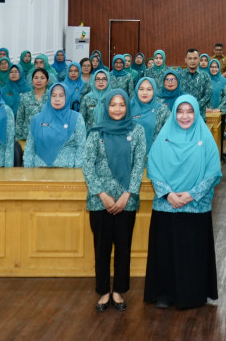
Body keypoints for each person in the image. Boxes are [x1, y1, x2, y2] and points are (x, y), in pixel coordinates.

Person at [144, 95, 222, 310]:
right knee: (165, 251)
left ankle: (193, 294)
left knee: (192, 253)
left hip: (195, 206)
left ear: (196, 113)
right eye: (180, 111)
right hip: (167, 205)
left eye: (190, 111)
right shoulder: (164, 136)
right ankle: (164, 294)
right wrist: (168, 194)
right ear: (174, 113)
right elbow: (154, 168)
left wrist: (191, 195)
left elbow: (213, 171)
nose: (185, 116)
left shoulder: (205, 137)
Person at [82, 88, 147, 312]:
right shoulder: (96, 132)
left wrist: (127, 194)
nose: (117, 109)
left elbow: (139, 165)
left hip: (126, 200)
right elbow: (87, 165)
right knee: (101, 248)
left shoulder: (137, 131)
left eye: (121, 105)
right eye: (113, 104)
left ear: (127, 107)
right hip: (100, 201)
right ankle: (103, 291)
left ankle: (118, 291)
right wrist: (101, 194)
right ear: (106, 107)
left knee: (123, 247)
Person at [24, 83, 86, 168]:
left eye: (61, 96)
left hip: (67, 171)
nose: (57, 99)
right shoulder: (37, 119)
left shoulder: (76, 118)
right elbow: (29, 147)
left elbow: (81, 146)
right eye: (53, 96)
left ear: (67, 97)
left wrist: (77, 171)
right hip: (40, 170)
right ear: (49, 97)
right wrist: (28, 171)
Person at [129, 76, 170, 151]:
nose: (145, 93)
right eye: (141, 89)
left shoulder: (162, 110)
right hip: (130, 156)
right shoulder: (128, 108)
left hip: (154, 155)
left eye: (149, 89)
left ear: (154, 91)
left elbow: (169, 135)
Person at [16, 68, 51, 141]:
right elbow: (20, 119)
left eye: (42, 78)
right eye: (36, 78)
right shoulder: (25, 97)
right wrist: (18, 138)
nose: (39, 80)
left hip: (47, 137)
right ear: (32, 81)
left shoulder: (52, 97)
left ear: (47, 81)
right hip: (27, 137)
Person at [178, 48, 212, 118]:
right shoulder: (179, 75)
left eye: (195, 58)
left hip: (200, 114)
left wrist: (195, 105)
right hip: (183, 115)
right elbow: (176, 93)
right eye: (190, 58)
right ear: (185, 60)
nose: (192, 61)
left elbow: (208, 94)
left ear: (199, 60)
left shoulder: (205, 76)